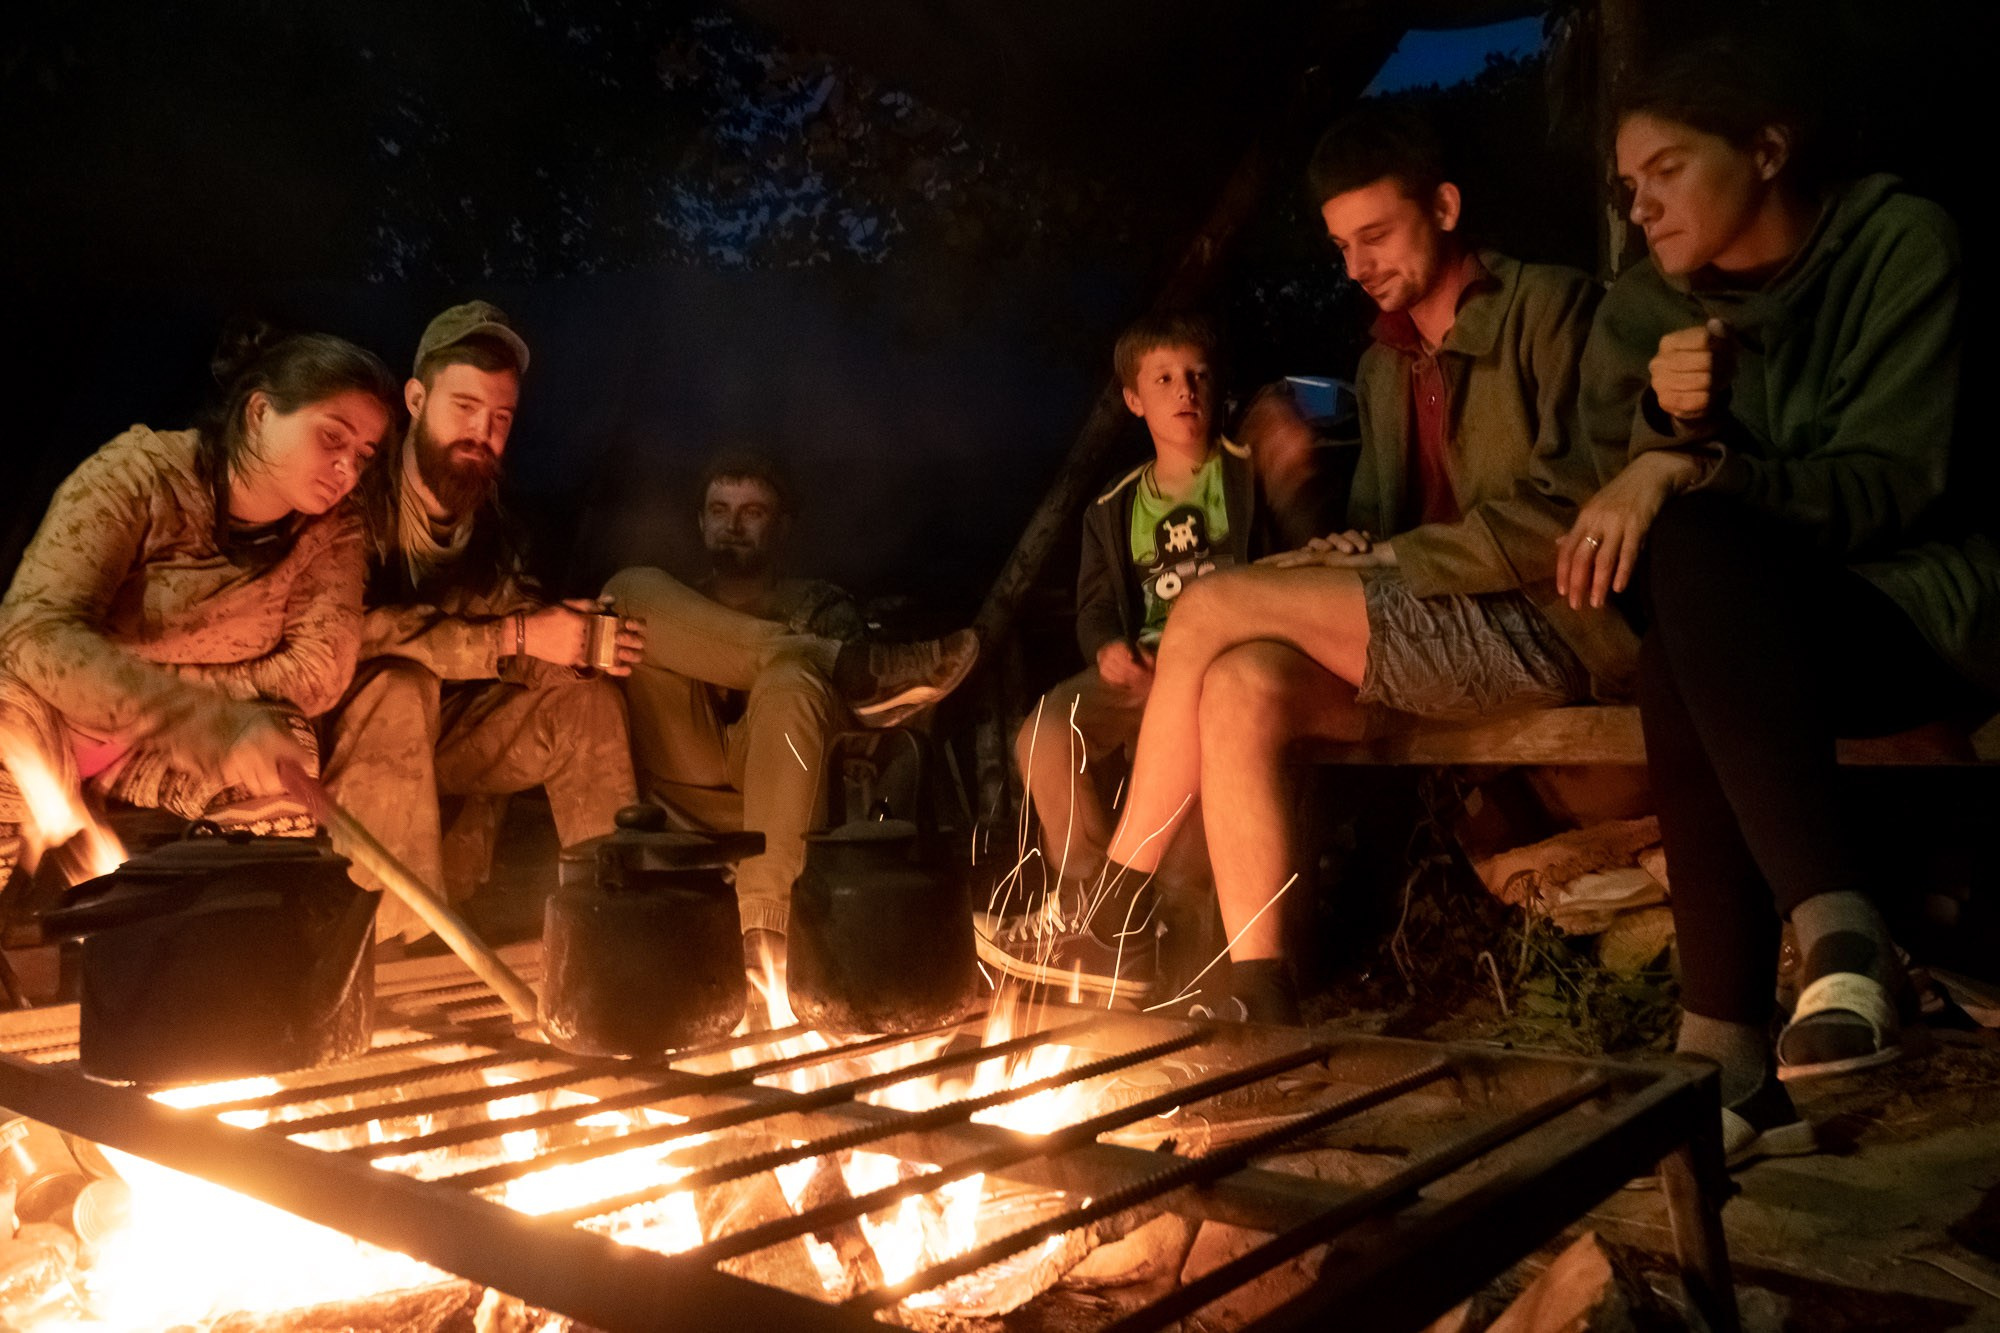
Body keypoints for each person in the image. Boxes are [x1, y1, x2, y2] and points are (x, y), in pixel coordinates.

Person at [985, 106, 1626, 1018]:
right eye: (1341, 245)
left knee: (1211, 609)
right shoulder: (1382, 365)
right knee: (1239, 681)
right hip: (1432, 636)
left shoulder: (1551, 310)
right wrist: (1320, 524)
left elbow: (1571, 513)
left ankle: (1114, 903)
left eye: (1376, 235)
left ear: (1444, 208)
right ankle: (1260, 989)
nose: (1357, 265)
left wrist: (1377, 561)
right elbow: (1375, 532)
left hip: (1540, 623)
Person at [1556, 40, 1998, 1165]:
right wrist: (1665, 436)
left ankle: (1823, 956)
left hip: (1913, 612)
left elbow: (1892, 487)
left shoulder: (1898, 245)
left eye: (1663, 169)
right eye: (1625, 186)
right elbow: (1618, 509)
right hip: (1744, 648)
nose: (1639, 207)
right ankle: (1741, 1049)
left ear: (1763, 148)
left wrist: (1689, 468)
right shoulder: (1648, 309)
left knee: (1694, 539)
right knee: (1677, 616)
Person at [983, 311, 1309, 994]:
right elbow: (1096, 604)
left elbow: (1306, 549)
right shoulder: (1114, 504)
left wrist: (1297, 473)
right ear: (1135, 399)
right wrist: (1105, 648)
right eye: (1163, 379)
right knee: (1044, 731)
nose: (1184, 390)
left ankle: (1186, 968)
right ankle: (1088, 902)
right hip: (1146, 670)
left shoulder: (1250, 472)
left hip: (1225, 668)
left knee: (1190, 844)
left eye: (1196, 376)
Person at [0, 326, 397, 877]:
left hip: (162, 748)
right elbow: (33, 632)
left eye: (364, 454)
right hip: (49, 715)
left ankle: (223, 950)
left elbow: (318, 671)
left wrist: (187, 715)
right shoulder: (141, 476)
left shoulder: (332, 529)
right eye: (332, 438)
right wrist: (196, 717)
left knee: (283, 767)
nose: (349, 470)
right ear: (259, 412)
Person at [321, 301, 645, 943]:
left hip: (441, 735)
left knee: (586, 699)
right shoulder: (349, 497)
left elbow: (511, 631)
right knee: (399, 687)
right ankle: (389, 946)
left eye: (500, 418)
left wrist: (568, 641)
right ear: (416, 399)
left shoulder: (495, 525)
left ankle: (616, 929)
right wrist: (515, 636)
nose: (482, 433)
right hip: (333, 737)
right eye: (463, 408)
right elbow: (344, 637)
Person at [604, 454, 980, 975]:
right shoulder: (676, 603)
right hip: (686, 784)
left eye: (752, 512)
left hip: (780, 799)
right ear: (700, 521)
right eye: (719, 509)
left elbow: (852, 742)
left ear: (782, 527)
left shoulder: (819, 606)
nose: (732, 525)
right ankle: (839, 662)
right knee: (624, 592)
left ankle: (764, 936)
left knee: (788, 681)